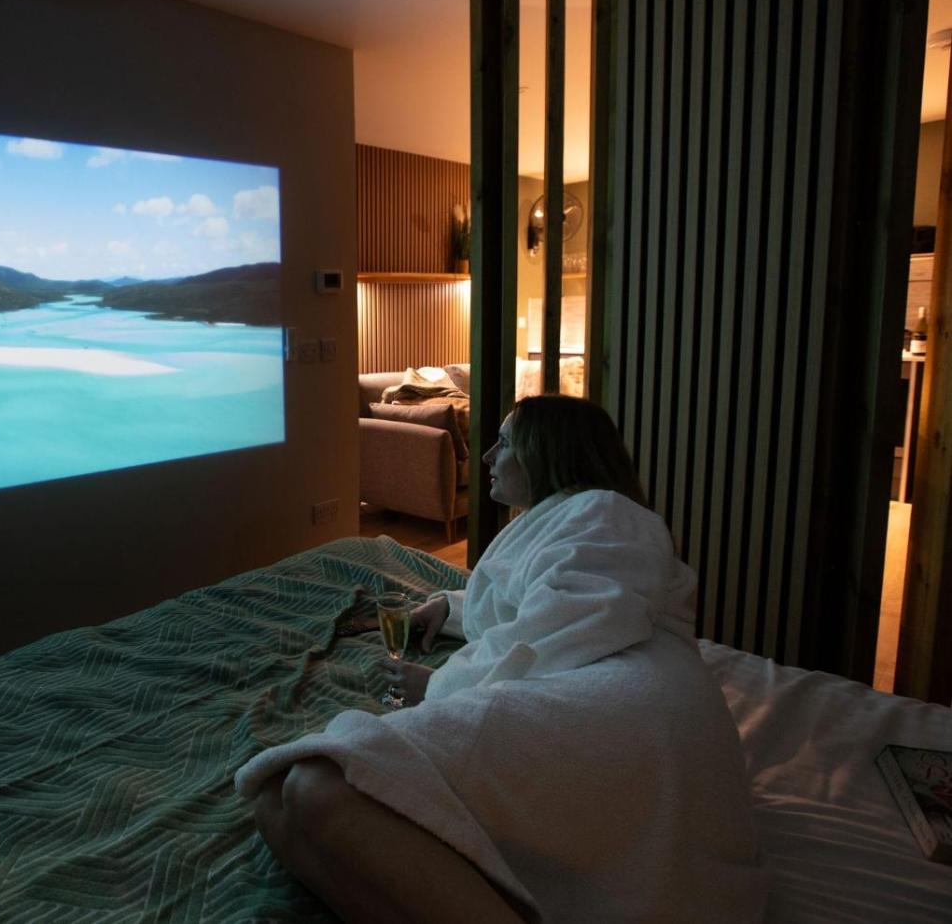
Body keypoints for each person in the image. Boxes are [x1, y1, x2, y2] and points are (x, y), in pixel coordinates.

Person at [235, 395, 766, 924]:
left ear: (547, 451)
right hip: (602, 692)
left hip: (629, 707)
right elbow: (539, 599)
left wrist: (440, 684)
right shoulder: (573, 520)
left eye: (506, 443)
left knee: (318, 786)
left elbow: (574, 622)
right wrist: (450, 607)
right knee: (275, 803)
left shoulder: (605, 510)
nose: (487, 455)